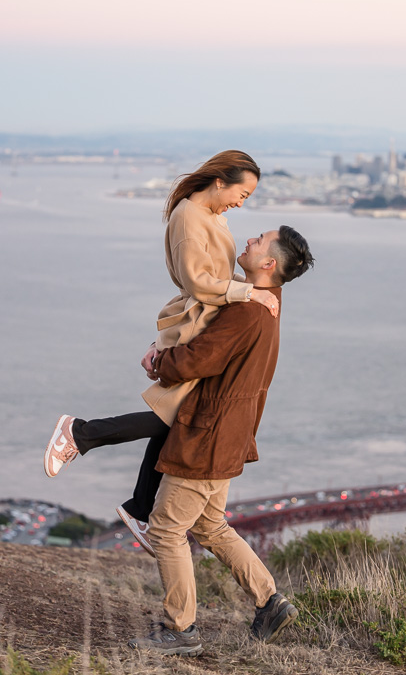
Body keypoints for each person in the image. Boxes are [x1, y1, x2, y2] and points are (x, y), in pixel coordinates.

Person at [44, 151, 279, 549]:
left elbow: (216, 277)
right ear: (220, 181)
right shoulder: (189, 217)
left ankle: (138, 508)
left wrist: (251, 290)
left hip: (203, 319)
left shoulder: (212, 216)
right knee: (178, 418)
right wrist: (251, 292)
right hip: (194, 320)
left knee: (175, 420)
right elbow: (198, 281)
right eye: (243, 192)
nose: (243, 202)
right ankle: (79, 434)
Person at [128, 225, 314, 657]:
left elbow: (199, 359)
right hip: (230, 435)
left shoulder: (246, 310)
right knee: (210, 525)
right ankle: (270, 601)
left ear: (269, 264)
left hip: (208, 436)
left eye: (258, 241)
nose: (248, 240)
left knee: (167, 528)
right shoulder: (269, 302)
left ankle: (181, 629)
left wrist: (159, 360)